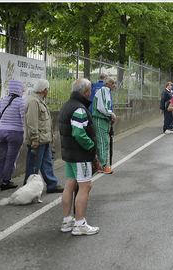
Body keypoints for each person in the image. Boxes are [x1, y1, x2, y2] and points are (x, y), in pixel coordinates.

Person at [59, 78, 99, 235]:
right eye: (90, 89)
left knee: (70, 184)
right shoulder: (80, 108)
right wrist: (90, 146)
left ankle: (67, 220)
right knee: (85, 186)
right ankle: (80, 224)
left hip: (69, 153)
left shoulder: (67, 105)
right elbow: (78, 132)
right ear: (86, 91)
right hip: (79, 155)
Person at [24, 79, 64, 193]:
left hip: (44, 139)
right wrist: (35, 138)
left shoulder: (39, 101)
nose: (48, 91)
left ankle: (52, 184)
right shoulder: (33, 102)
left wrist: (51, 135)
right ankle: (28, 189)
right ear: (44, 90)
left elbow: (45, 121)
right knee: (33, 166)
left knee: (47, 163)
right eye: (48, 89)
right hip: (38, 140)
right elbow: (32, 122)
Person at [0, 80, 25, 191]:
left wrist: (5, 121)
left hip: (0, 132)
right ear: (19, 89)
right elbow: (24, 118)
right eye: (22, 88)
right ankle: (6, 182)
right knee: (10, 158)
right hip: (15, 133)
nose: (24, 90)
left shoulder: (2, 101)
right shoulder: (21, 102)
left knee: (1, 156)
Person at [92, 76, 116, 173]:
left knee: (103, 142)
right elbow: (101, 108)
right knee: (102, 142)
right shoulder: (103, 91)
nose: (114, 85)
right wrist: (111, 114)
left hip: (103, 119)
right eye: (112, 83)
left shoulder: (106, 91)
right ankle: (102, 166)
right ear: (106, 84)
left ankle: (99, 164)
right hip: (99, 119)